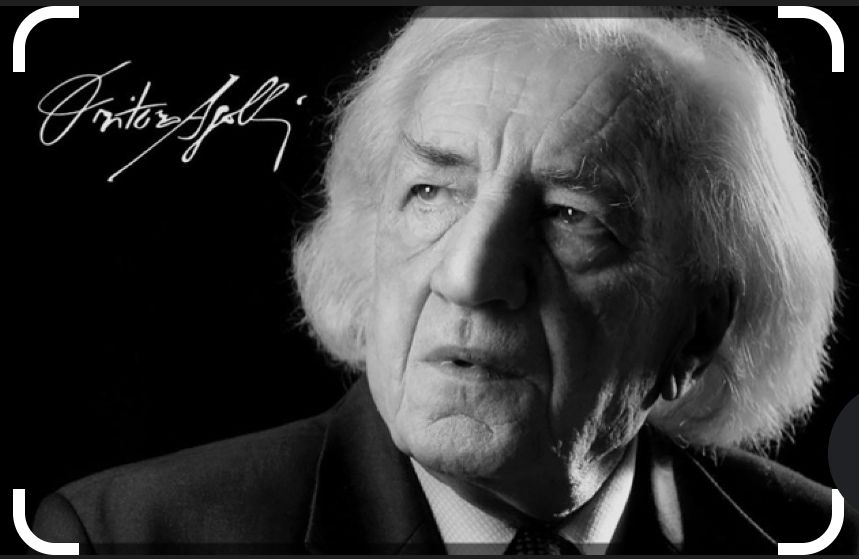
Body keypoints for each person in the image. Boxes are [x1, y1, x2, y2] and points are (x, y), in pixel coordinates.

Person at [32, 6, 859, 554]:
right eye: (431, 191)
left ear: (696, 327)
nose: (468, 277)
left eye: (570, 215)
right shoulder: (117, 537)